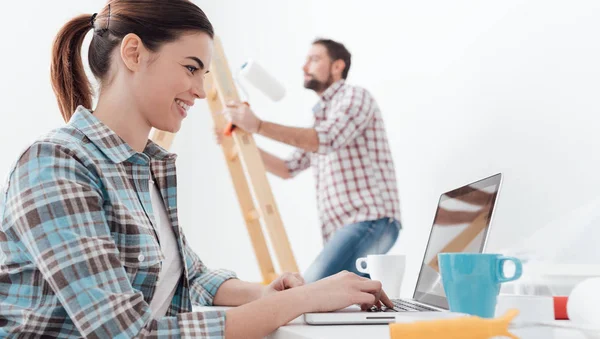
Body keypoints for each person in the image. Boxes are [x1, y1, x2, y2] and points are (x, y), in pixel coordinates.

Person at [0, 2, 392, 338]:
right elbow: (124, 333)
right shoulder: (54, 165)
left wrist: (267, 293)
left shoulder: (144, 169)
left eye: (204, 74)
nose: (202, 92)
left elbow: (191, 274)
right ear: (134, 53)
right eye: (191, 68)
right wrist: (301, 299)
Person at [222, 39, 402, 283]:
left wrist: (259, 126)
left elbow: (327, 139)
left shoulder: (355, 97)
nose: (304, 66)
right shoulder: (321, 118)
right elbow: (288, 168)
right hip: (347, 228)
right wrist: (240, 142)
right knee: (336, 299)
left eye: (314, 59)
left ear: (338, 66)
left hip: (370, 220)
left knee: (310, 290)